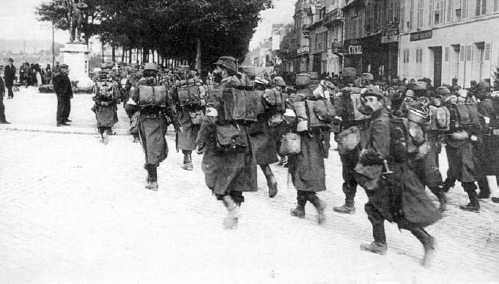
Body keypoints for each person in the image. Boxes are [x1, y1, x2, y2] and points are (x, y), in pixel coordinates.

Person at [356, 87, 441, 267]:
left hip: (388, 174)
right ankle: (382, 243)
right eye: (366, 100)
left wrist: (363, 154)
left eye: (372, 100)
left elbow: (380, 152)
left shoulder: (380, 122)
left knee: (389, 211)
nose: (368, 103)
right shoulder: (387, 117)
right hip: (396, 171)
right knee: (381, 209)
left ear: (381, 102)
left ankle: (423, 241)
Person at [196, 56, 258, 229]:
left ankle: (230, 206)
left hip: (222, 139)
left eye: (217, 69)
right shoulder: (246, 90)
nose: (214, 72)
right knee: (237, 178)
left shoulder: (218, 91)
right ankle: (233, 219)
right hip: (243, 137)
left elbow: (210, 118)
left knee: (213, 174)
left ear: (223, 71)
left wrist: (200, 140)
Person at [287, 73, 331, 225]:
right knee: (307, 173)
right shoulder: (317, 98)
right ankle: (300, 208)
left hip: (299, 140)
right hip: (316, 141)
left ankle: (317, 203)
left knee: (298, 173)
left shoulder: (293, 99)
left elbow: (289, 120)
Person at [129, 63, 180, 190]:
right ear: (157, 74)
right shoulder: (163, 88)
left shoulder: (138, 88)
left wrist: (134, 115)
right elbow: (170, 108)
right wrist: (176, 124)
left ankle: (153, 180)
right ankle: (151, 171)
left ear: (144, 73)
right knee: (156, 148)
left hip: (145, 121)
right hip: (160, 121)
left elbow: (129, 106)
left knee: (148, 148)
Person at [170, 69, 204, 171]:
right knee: (196, 132)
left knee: (184, 134)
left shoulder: (176, 86)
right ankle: (200, 148)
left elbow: (171, 97)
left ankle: (188, 160)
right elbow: (204, 99)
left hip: (183, 112)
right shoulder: (198, 85)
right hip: (196, 112)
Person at [92, 75, 120, 144]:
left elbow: (94, 97)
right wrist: (109, 102)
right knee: (109, 122)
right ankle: (107, 132)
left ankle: (102, 134)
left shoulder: (97, 84)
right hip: (110, 106)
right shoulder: (114, 84)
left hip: (100, 106)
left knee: (101, 122)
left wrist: (100, 102)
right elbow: (117, 96)